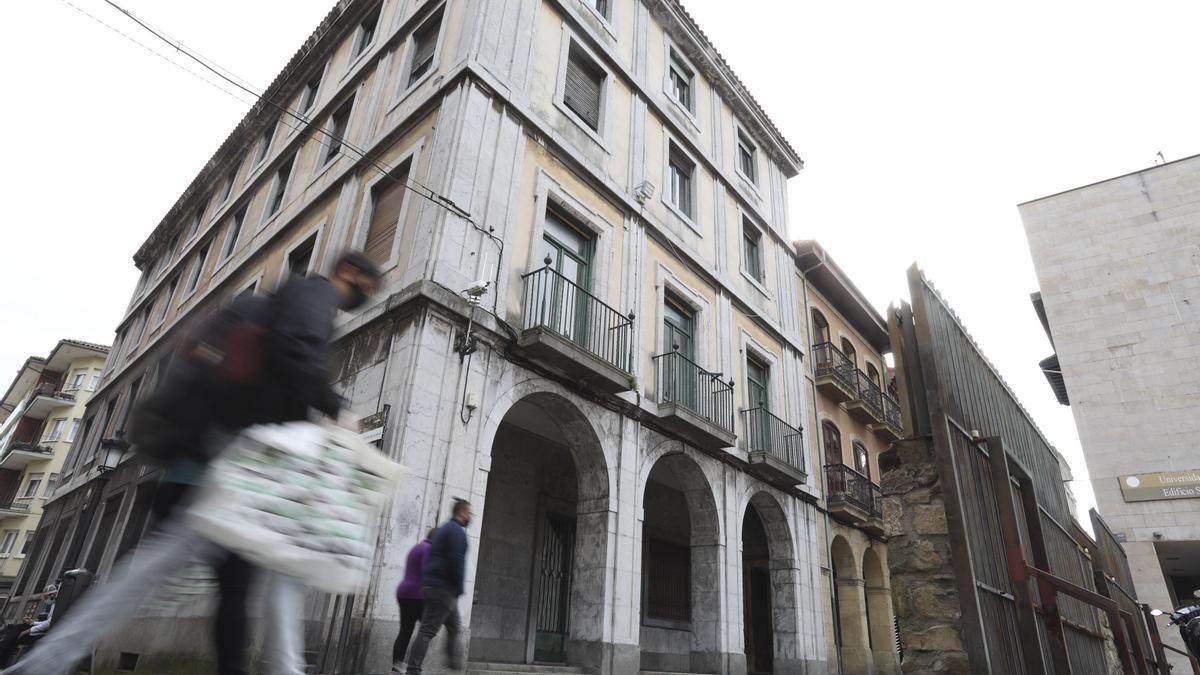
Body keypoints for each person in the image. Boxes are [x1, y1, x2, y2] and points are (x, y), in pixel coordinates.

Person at [4, 251, 383, 675]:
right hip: (233, 461)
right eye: (368, 286)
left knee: (244, 577)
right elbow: (296, 347)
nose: (367, 295)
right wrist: (336, 406)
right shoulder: (314, 295)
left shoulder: (280, 300)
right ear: (350, 273)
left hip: (211, 454)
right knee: (196, 566)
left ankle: (44, 663)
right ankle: (42, 664)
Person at [405, 500, 472, 675]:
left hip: (433, 586)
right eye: (469, 513)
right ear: (462, 513)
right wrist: (458, 587)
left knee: (454, 626)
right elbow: (456, 561)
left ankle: (452, 668)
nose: (470, 517)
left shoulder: (443, 530)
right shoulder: (457, 532)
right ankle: (413, 670)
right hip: (444, 588)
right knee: (428, 630)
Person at [392, 529, 435, 674]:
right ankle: (413, 668)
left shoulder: (417, 547)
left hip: (403, 593)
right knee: (426, 632)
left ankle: (396, 667)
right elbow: (426, 572)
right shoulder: (429, 548)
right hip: (417, 595)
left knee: (405, 631)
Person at [0, 585, 56, 666]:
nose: (45, 600)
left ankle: (2, 653)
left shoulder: (57, 604)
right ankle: (3, 654)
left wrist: (29, 630)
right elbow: (47, 622)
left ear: (52, 595)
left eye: (46, 597)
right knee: (15, 630)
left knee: (17, 631)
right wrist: (32, 622)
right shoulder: (54, 605)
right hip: (43, 628)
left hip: (46, 631)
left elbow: (48, 623)